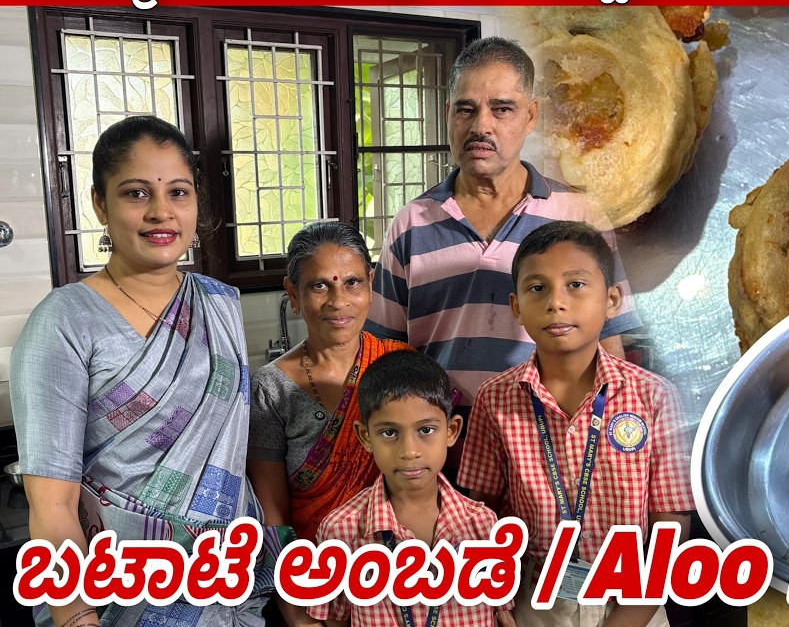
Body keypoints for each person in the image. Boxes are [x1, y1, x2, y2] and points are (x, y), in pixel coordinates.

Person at [11, 115, 277, 627]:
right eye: (135, 193)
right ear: (99, 204)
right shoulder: (65, 321)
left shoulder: (218, 304)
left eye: (178, 192)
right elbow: (53, 505)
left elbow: (230, 460)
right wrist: (76, 617)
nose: (161, 212)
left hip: (227, 587)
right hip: (117, 598)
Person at [365, 36, 642, 409]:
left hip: (555, 443)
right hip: (444, 449)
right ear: (447, 113)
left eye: (502, 109)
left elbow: (609, 344)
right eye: (465, 109)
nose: (481, 126)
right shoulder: (411, 224)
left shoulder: (581, 215)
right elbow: (385, 355)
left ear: (530, 116)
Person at [458, 220, 695, 627]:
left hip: (633, 603)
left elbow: (671, 529)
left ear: (613, 300)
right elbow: (477, 515)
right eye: (537, 288)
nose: (556, 302)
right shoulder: (495, 399)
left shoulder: (653, 397)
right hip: (532, 601)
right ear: (517, 307)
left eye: (576, 285)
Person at [247, 221, 414, 625]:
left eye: (353, 283)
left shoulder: (400, 366)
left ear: (371, 285)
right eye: (320, 286)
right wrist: (296, 613)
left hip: (401, 575)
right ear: (293, 294)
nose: (339, 301)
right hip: (312, 581)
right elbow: (272, 513)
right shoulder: (271, 387)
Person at [308, 350, 514, 627]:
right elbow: (334, 620)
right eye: (389, 433)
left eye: (426, 430)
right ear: (366, 437)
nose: (410, 451)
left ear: (451, 431)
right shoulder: (341, 531)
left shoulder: (484, 526)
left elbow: (502, 616)